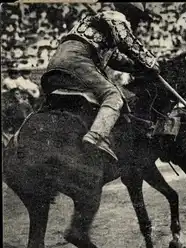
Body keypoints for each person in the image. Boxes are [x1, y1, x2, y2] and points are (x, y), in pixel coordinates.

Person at [40, 2, 160, 161]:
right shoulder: (116, 17)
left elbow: (119, 61)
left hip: (55, 65)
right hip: (77, 61)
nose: (138, 23)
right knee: (113, 96)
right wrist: (152, 63)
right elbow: (128, 42)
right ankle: (96, 137)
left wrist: (140, 69)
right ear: (130, 13)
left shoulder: (100, 27)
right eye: (138, 18)